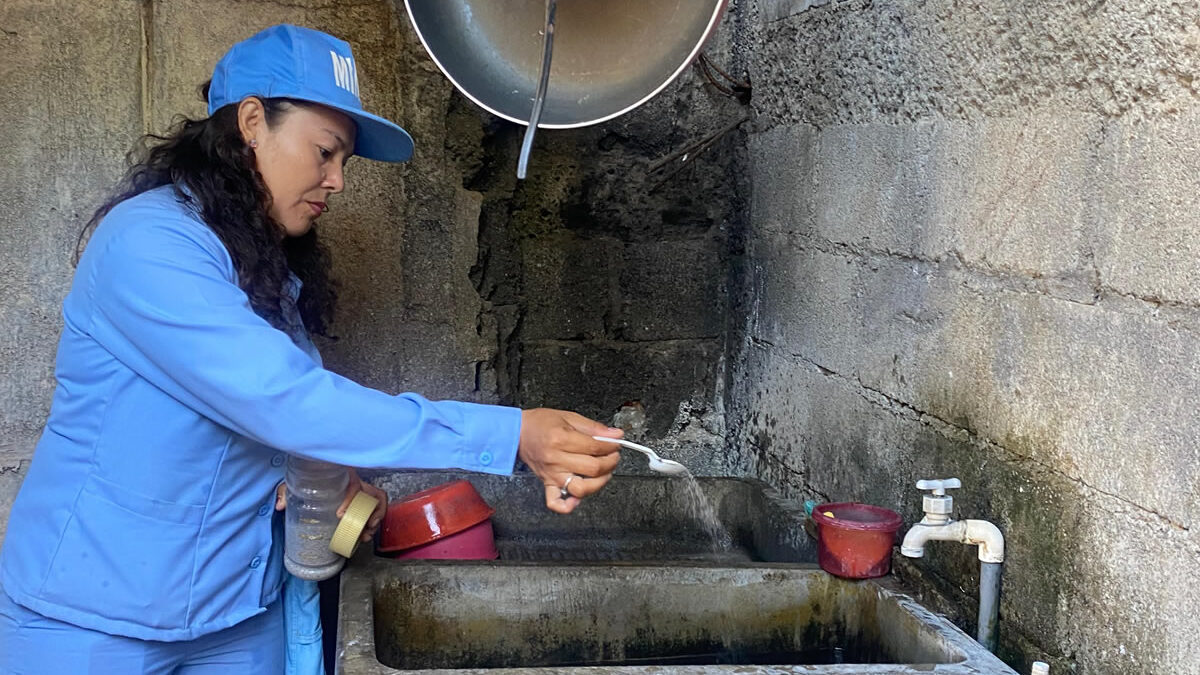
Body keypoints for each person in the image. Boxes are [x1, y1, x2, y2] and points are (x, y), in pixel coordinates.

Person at [0, 24, 622, 675]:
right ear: (250, 121)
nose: (337, 181)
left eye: (344, 161)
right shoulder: (149, 245)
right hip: (91, 622)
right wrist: (511, 433)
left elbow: (258, 423)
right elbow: (285, 401)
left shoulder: (266, 268)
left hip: (237, 610)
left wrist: (320, 479)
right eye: (324, 152)